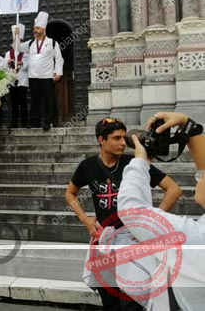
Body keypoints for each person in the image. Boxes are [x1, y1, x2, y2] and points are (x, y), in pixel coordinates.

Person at [65, 117, 183, 310]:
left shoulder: (134, 164)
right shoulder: (88, 166)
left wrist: (149, 223)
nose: (123, 143)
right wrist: (84, 218)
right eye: (116, 138)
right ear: (101, 140)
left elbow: (174, 189)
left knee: (132, 302)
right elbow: (70, 193)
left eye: (123, 137)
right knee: (109, 299)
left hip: (131, 242)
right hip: (104, 242)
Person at [119, 111, 205, 311]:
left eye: (201, 176)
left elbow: (132, 211)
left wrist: (140, 162)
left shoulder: (196, 238)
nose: (199, 175)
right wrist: (189, 127)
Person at [16, 11, 63, 131]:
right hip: (33, 76)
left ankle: (48, 121)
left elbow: (59, 59)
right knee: (35, 100)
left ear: (43, 29)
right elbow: (18, 47)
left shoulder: (52, 43)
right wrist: (16, 36)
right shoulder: (31, 43)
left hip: (47, 76)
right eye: (34, 28)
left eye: (37, 28)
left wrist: (58, 72)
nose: (35, 30)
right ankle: (35, 122)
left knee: (48, 100)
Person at [6, 24, 29, 128]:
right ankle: (14, 122)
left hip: (22, 80)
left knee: (23, 102)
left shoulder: (26, 54)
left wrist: (21, 63)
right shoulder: (8, 53)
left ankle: (24, 122)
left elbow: (28, 66)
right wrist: (9, 62)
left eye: (20, 41)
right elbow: (5, 67)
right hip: (12, 80)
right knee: (13, 103)